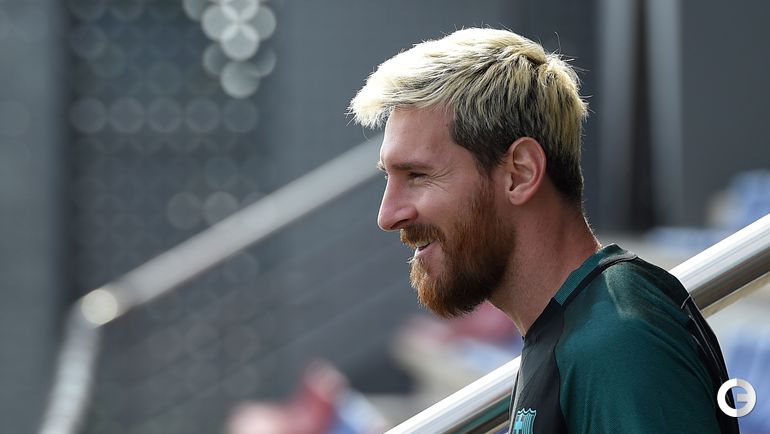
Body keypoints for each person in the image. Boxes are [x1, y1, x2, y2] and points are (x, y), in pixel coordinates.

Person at [349, 28, 738, 433]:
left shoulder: (618, 342)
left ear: (520, 173)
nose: (387, 215)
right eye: (389, 178)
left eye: (417, 175)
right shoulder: (574, 331)